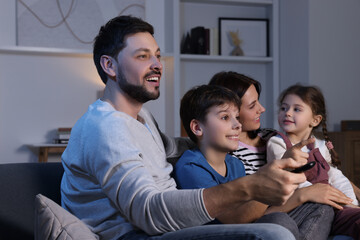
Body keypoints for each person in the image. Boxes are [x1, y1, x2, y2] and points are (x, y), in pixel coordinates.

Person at [60, 15, 308, 240]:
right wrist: (249, 187)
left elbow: (174, 146)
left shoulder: (140, 117)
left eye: (157, 55)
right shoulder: (105, 128)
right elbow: (147, 211)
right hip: (139, 235)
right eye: (143, 56)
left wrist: (236, 138)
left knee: (293, 217)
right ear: (109, 66)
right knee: (274, 234)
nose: (157, 64)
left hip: (176, 228)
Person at [208, 71, 345, 240]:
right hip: (267, 217)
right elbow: (246, 213)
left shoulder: (273, 136)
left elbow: (330, 171)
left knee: (323, 209)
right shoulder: (228, 157)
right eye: (252, 106)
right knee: (280, 221)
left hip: (298, 210)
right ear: (231, 110)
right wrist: (305, 194)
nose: (262, 109)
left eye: (258, 101)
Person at [174, 84, 300, 238]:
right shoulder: (191, 167)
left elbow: (249, 211)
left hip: (243, 228)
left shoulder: (235, 164)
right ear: (197, 127)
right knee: (279, 220)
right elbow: (233, 218)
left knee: (318, 209)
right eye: (225, 117)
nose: (238, 125)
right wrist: (271, 181)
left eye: (237, 117)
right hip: (212, 234)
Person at [267, 84, 360, 239]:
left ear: (315, 120)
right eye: (284, 108)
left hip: (331, 203)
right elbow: (292, 180)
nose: (287, 113)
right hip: (302, 206)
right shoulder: (278, 143)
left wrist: (350, 203)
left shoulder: (320, 146)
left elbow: (336, 177)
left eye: (296, 109)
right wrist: (321, 195)